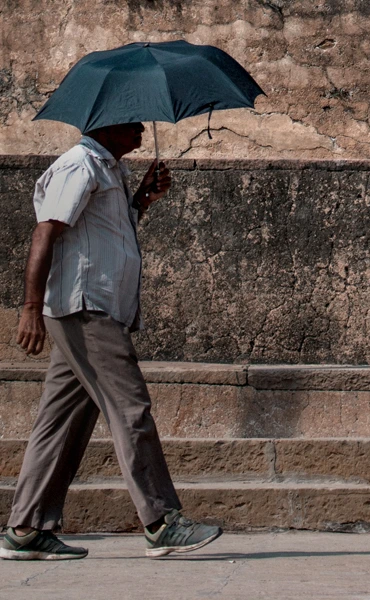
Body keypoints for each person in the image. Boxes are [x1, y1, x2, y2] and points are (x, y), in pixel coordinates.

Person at [1, 123, 222, 560]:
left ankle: (26, 528)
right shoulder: (79, 166)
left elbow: (106, 233)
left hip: (96, 308)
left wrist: (142, 200)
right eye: (131, 121)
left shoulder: (108, 170)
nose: (140, 127)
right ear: (104, 127)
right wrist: (30, 307)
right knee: (130, 409)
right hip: (87, 309)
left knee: (61, 421)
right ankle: (162, 521)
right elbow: (45, 232)